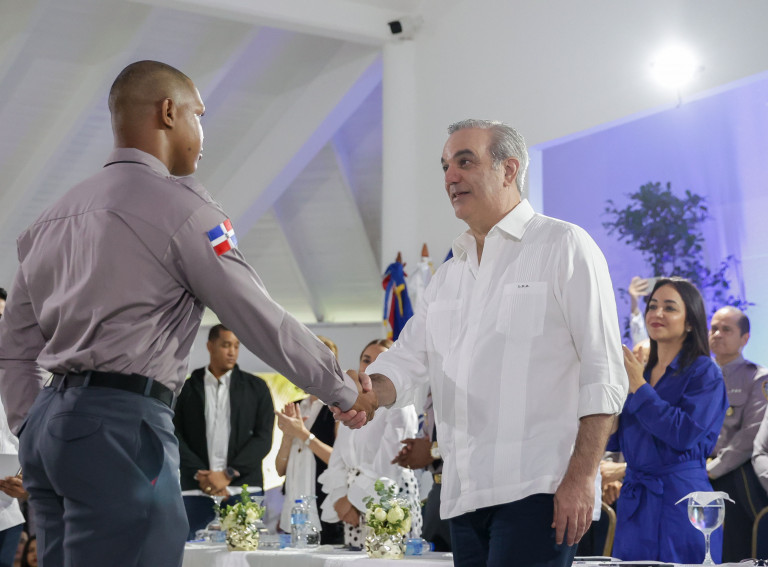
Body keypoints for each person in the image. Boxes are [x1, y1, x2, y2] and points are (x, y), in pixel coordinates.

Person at [0, 60, 374, 567]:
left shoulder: (51, 218)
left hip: (49, 429)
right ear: (168, 112)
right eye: (199, 115)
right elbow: (256, 314)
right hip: (121, 424)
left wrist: (29, 425)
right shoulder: (183, 211)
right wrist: (341, 390)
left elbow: (15, 350)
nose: (203, 133)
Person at [335, 120, 627, 567]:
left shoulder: (563, 245)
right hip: (463, 495)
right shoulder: (449, 276)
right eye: (445, 166)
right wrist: (366, 395)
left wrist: (581, 477)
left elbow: (603, 372)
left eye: (465, 161)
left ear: (509, 170)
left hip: (539, 489)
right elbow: (408, 360)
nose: (450, 177)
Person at [608, 277, 728, 563]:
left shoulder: (705, 372)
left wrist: (639, 387)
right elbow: (617, 439)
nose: (657, 313)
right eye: (652, 306)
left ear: (690, 323)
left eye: (670, 307)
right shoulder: (641, 372)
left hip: (682, 499)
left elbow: (683, 433)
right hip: (636, 499)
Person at [173, 324, 274, 538]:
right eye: (226, 345)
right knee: (193, 553)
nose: (232, 352)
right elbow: (175, 435)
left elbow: (263, 439)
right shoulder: (185, 389)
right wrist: (202, 476)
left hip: (244, 490)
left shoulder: (257, 388)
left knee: (244, 551)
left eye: (236, 346)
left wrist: (227, 474)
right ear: (210, 346)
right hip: (196, 489)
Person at [320, 339, 422, 549]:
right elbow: (338, 457)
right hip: (352, 505)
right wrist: (339, 497)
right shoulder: (350, 404)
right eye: (366, 360)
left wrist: (352, 500)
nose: (372, 366)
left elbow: (390, 461)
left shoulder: (400, 407)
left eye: (381, 360)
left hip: (389, 497)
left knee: (389, 555)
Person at [706, 307, 768, 560]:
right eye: (714, 328)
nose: (717, 334)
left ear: (745, 338)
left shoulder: (758, 378)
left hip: (733, 473)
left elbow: (749, 437)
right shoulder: (698, 375)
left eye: (726, 329)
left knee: (734, 549)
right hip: (696, 470)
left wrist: (712, 470)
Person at [274, 336, 344, 544]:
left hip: (325, 508)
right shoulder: (296, 405)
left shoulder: (339, 407)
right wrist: (288, 436)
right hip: (294, 508)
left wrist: (303, 434)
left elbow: (340, 461)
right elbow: (279, 469)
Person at [391, 389, 452, 551]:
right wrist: (413, 454)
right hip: (438, 490)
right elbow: (427, 439)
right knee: (433, 554)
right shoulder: (432, 394)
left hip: (465, 490)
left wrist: (433, 451)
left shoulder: (464, 388)